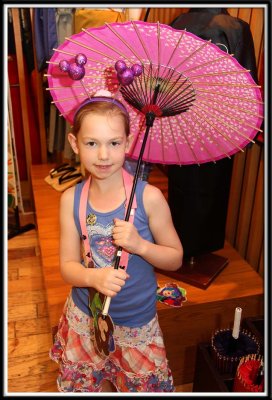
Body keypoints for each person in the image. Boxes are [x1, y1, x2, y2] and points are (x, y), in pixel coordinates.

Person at [49, 91, 183, 393]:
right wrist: (93, 276)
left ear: (128, 142)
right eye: (91, 143)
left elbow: (175, 257)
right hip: (87, 316)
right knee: (94, 382)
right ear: (74, 144)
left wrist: (140, 245)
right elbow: (67, 267)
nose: (103, 155)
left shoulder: (149, 198)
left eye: (113, 143)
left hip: (137, 320)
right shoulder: (71, 199)